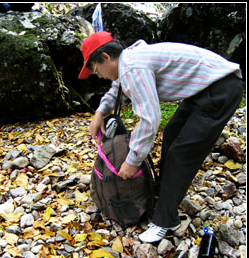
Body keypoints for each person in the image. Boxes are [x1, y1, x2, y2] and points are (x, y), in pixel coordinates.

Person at [78, 31, 243, 243]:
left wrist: (132, 160)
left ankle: (166, 220)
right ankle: (162, 195)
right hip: (203, 89)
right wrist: (100, 112)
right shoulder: (129, 60)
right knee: (172, 134)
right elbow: (117, 88)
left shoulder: (133, 67)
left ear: (106, 58)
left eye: (95, 69)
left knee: (182, 152)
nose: (98, 75)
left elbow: (149, 119)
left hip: (221, 88)